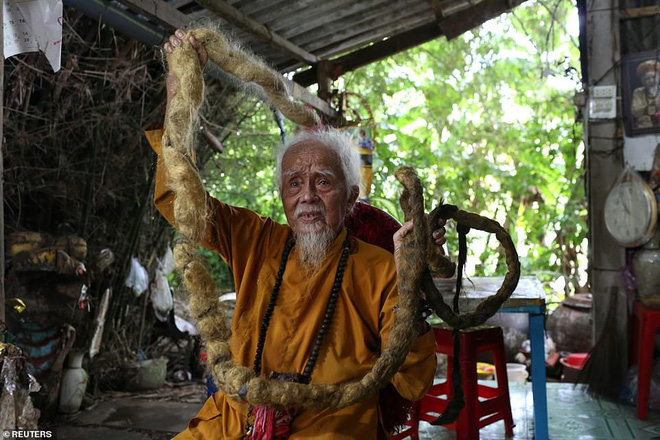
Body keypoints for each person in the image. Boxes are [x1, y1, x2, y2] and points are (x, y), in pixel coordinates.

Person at [150, 29, 448, 439]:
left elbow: (413, 384)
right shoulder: (255, 239)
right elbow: (178, 200)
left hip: (329, 428)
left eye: (323, 182)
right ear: (282, 196)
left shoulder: (381, 269)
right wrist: (177, 87)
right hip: (234, 423)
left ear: (350, 199)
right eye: (294, 183)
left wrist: (411, 278)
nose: (306, 196)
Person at [631, 59, 660, 128]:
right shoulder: (638, 92)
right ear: (642, 80)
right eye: (647, 78)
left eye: (653, 77)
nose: (651, 81)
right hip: (644, 127)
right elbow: (635, 112)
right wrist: (648, 106)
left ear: (659, 76)